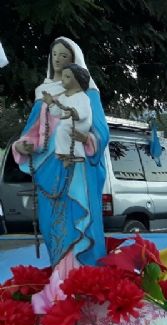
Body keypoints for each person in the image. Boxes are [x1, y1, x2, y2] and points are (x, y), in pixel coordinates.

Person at [11, 37, 109, 303]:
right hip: (48, 170)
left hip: (76, 170)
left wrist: (86, 139)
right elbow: (33, 133)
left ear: (74, 60)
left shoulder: (88, 92)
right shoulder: (43, 92)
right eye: (55, 54)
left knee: (79, 222)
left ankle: (85, 285)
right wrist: (22, 146)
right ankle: (60, 285)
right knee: (54, 228)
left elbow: (100, 131)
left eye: (65, 55)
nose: (58, 59)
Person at [49, 64, 92, 165]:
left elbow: (84, 113)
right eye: (63, 76)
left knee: (63, 128)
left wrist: (74, 113)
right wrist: (50, 103)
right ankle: (67, 155)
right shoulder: (63, 97)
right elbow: (56, 112)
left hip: (81, 123)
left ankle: (72, 155)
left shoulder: (82, 97)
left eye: (67, 77)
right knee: (62, 129)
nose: (63, 79)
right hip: (68, 124)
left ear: (78, 80)